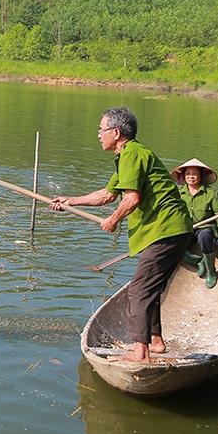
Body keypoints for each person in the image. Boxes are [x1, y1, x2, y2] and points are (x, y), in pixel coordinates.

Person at [50, 107, 193, 364]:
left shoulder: (133, 154)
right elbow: (108, 195)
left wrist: (113, 220)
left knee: (138, 290)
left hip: (165, 228)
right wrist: (71, 201)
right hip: (169, 229)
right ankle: (156, 342)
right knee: (150, 287)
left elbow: (131, 199)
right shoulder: (129, 155)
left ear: (116, 133)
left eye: (101, 130)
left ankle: (141, 353)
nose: (98, 135)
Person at [171, 159, 218, 289]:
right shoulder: (178, 194)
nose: (191, 177)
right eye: (188, 174)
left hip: (205, 229)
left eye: (195, 174)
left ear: (201, 176)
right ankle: (198, 261)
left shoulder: (211, 194)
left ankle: (211, 271)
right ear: (183, 176)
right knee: (170, 244)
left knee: (205, 235)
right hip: (187, 229)